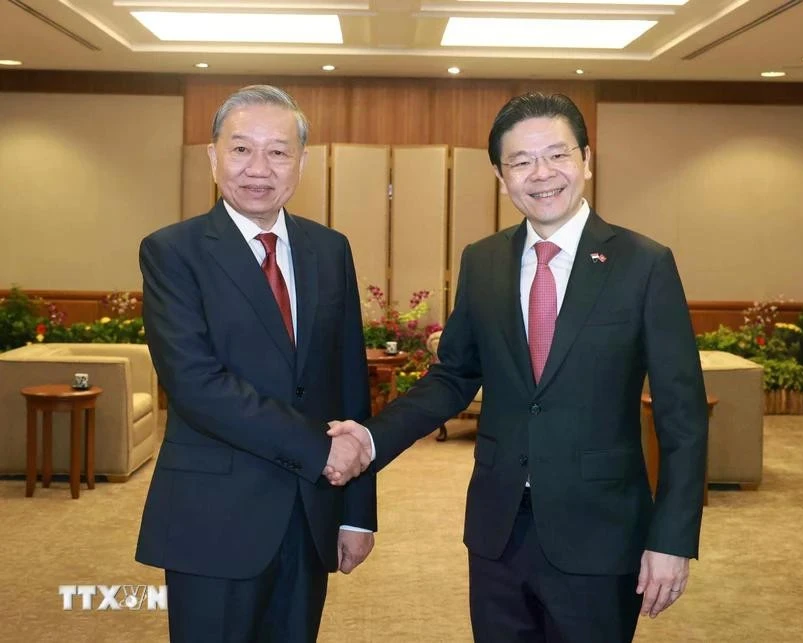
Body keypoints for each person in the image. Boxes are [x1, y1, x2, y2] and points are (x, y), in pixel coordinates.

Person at [327, 92, 708, 642]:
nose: (542, 174)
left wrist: (672, 538)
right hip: (498, 529)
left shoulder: (643, 263)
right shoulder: (482, 261)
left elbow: (682, 414)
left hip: (600, 530)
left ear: (586, 160)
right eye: (521, 161)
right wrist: (369, 437)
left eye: (557, 155)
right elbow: (453, 376)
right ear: (501, 177)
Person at [135, 85, 375, 643]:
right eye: (241, 149)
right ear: (213, 157)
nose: (258, 168)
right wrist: (320, 450)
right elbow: (197, 385)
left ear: (302, 162)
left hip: (310, 517)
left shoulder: (330, 249)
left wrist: (357, 512)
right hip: (214, 517)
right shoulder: (174, 252)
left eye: (278, 151)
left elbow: (348, 387)